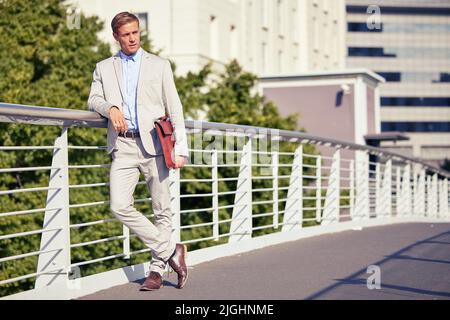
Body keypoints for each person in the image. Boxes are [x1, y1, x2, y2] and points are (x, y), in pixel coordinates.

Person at [88, 12, 189, 291]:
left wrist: (181, 147)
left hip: (155, 144)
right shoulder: (104, 67)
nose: (132, 38)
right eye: (126, 34)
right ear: (116, 37)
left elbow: (175, 107)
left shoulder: (159, 65)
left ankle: (157, 270)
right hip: (123, 145)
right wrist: (110, 108)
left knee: (161, 209)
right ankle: (171, 251)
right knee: (119, 205)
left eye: (135, 33)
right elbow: (93, 98)